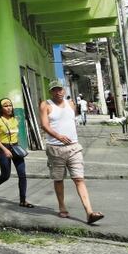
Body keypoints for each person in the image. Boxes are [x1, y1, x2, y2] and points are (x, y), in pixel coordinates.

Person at [39, 81, 103, 224]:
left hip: (74, 147)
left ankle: (89, 212)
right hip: (55, 148)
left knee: (79, 179)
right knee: (58, 179)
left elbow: (71, 121)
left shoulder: (71, 104)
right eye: (55, 90)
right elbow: (44, 125)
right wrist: (59, 136)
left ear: (64, 90)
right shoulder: (46, 105)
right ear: (51, 92)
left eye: (60, 90)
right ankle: (62, 207)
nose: (58, 92)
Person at [0, 98, 32, 207]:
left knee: (22, 174)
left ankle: (23, 200)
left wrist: (17, 147)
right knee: (5, 175)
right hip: (4, 149)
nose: (9, 108)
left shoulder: (15, 119)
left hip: (15, 147)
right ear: (1, 108)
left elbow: (15, 135)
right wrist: (5, 149)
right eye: (5, 106)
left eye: (10, 105)